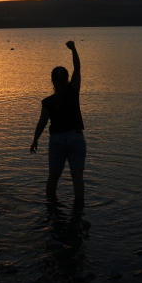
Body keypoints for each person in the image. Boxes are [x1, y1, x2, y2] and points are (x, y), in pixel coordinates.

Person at [30, 41, 86, 205]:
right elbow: (77, 68)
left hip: (57, 141)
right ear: (67, 78)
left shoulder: (48, 102)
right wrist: (73, 49)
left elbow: (42, 123)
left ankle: (51, 206)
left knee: (53, 176)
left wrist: (35, 140)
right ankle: (79, 209)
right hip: (76, 138)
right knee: (77, 176)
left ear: (52, 81)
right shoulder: (74, 91)